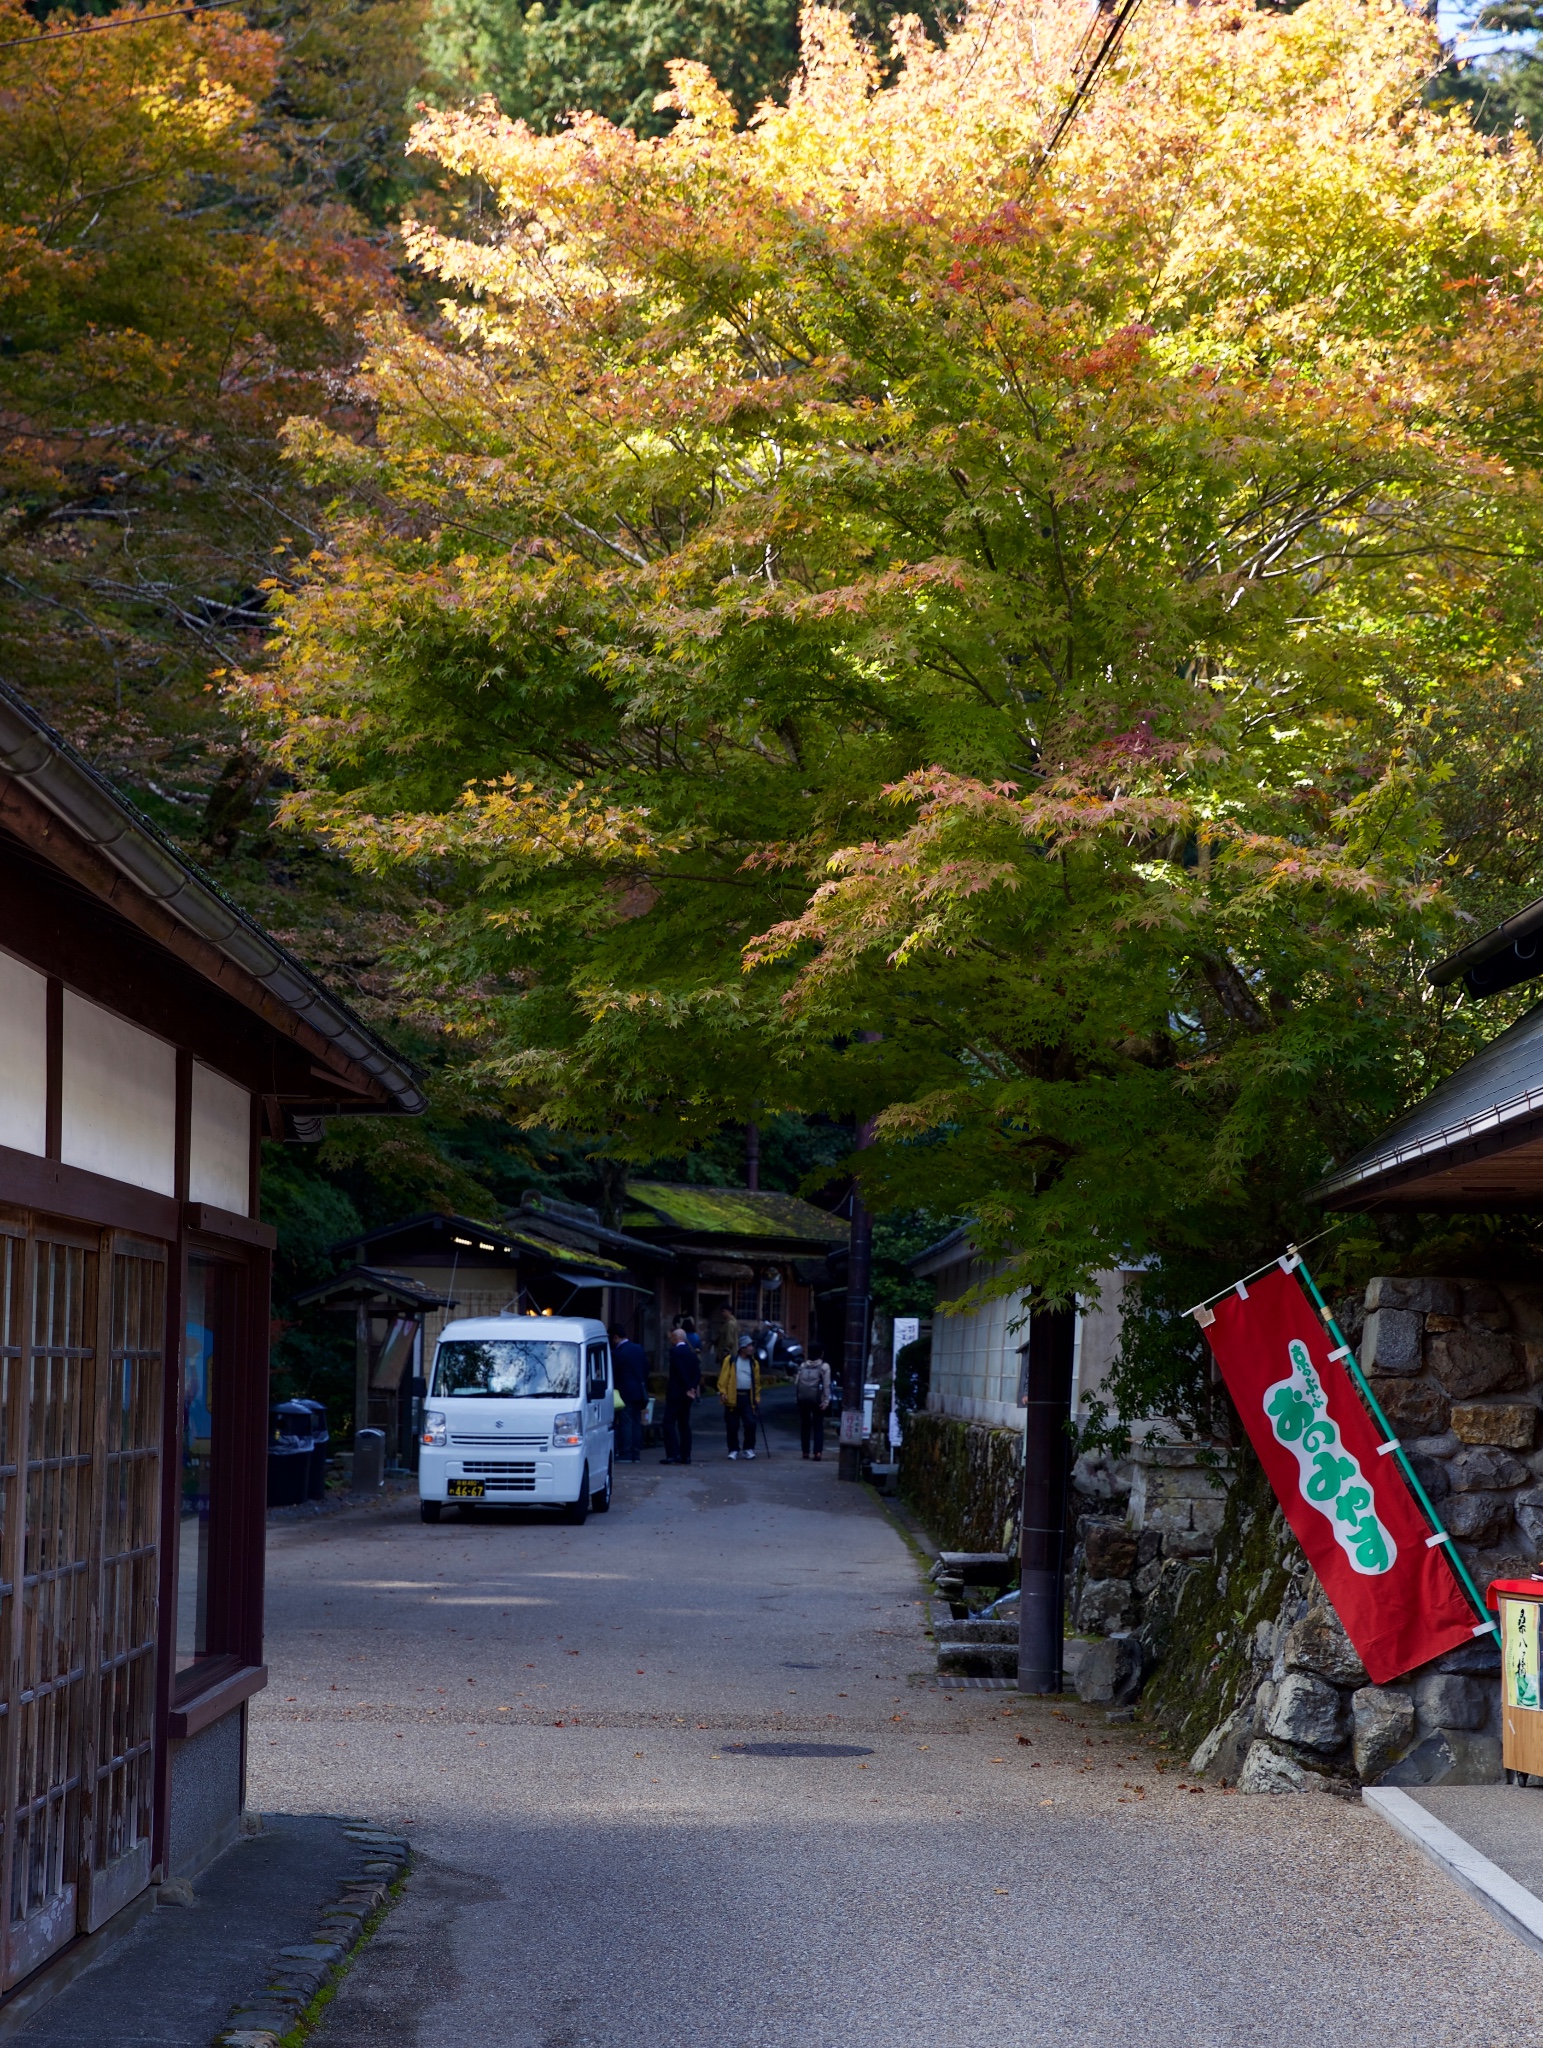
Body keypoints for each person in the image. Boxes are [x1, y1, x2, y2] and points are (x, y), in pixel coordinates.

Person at [661, 1324, 701, 1464]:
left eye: (672, 1337)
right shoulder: (691, 1353)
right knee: (684, 1423)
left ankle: (673, 1454)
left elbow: (679, 1371)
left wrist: (687, 1388)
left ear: (676, 1338)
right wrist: (692, 1388)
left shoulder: (675, 1353)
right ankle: (686, 1455)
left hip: (676, 1392)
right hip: (687, 1395)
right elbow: (697, 1373)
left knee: (668, 1423)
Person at [717, 1334, 760, 1460]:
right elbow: (723, 1378)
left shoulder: (754, 1363)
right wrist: (723, 1392)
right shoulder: (730, 1360)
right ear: (742, 1348)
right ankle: (733, 1449)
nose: (751, 1348)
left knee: (751, 1423)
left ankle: (748, 1448)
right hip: (733, 1396)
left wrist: (757, 1396)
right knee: (732, 1425)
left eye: (752, 1345)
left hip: (747, 1397)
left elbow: (756, 1382)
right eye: (749, 1346)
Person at [610, 1325, 649, 1463]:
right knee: (636, 1422)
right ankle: (636, 1453)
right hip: (639, 1390)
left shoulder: (618, 1353)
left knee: (625, 1422)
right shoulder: (638, 1349)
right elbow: (646, 1369)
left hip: (624, 1392)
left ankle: (626, 1452)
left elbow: (614, 1374)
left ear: (615, 1337)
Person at [793, 1342, 832, 1460]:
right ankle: (817, 1452)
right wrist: (826, 1401)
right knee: (818, 1426)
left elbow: (797, 1383)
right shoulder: (824, 1367)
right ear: (821, 1353)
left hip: (803, 1399)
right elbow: (827, 1385)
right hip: (817, 1400)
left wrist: (797, 1398)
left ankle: (805, 1452)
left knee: (805, 1425)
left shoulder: (803, 1365)